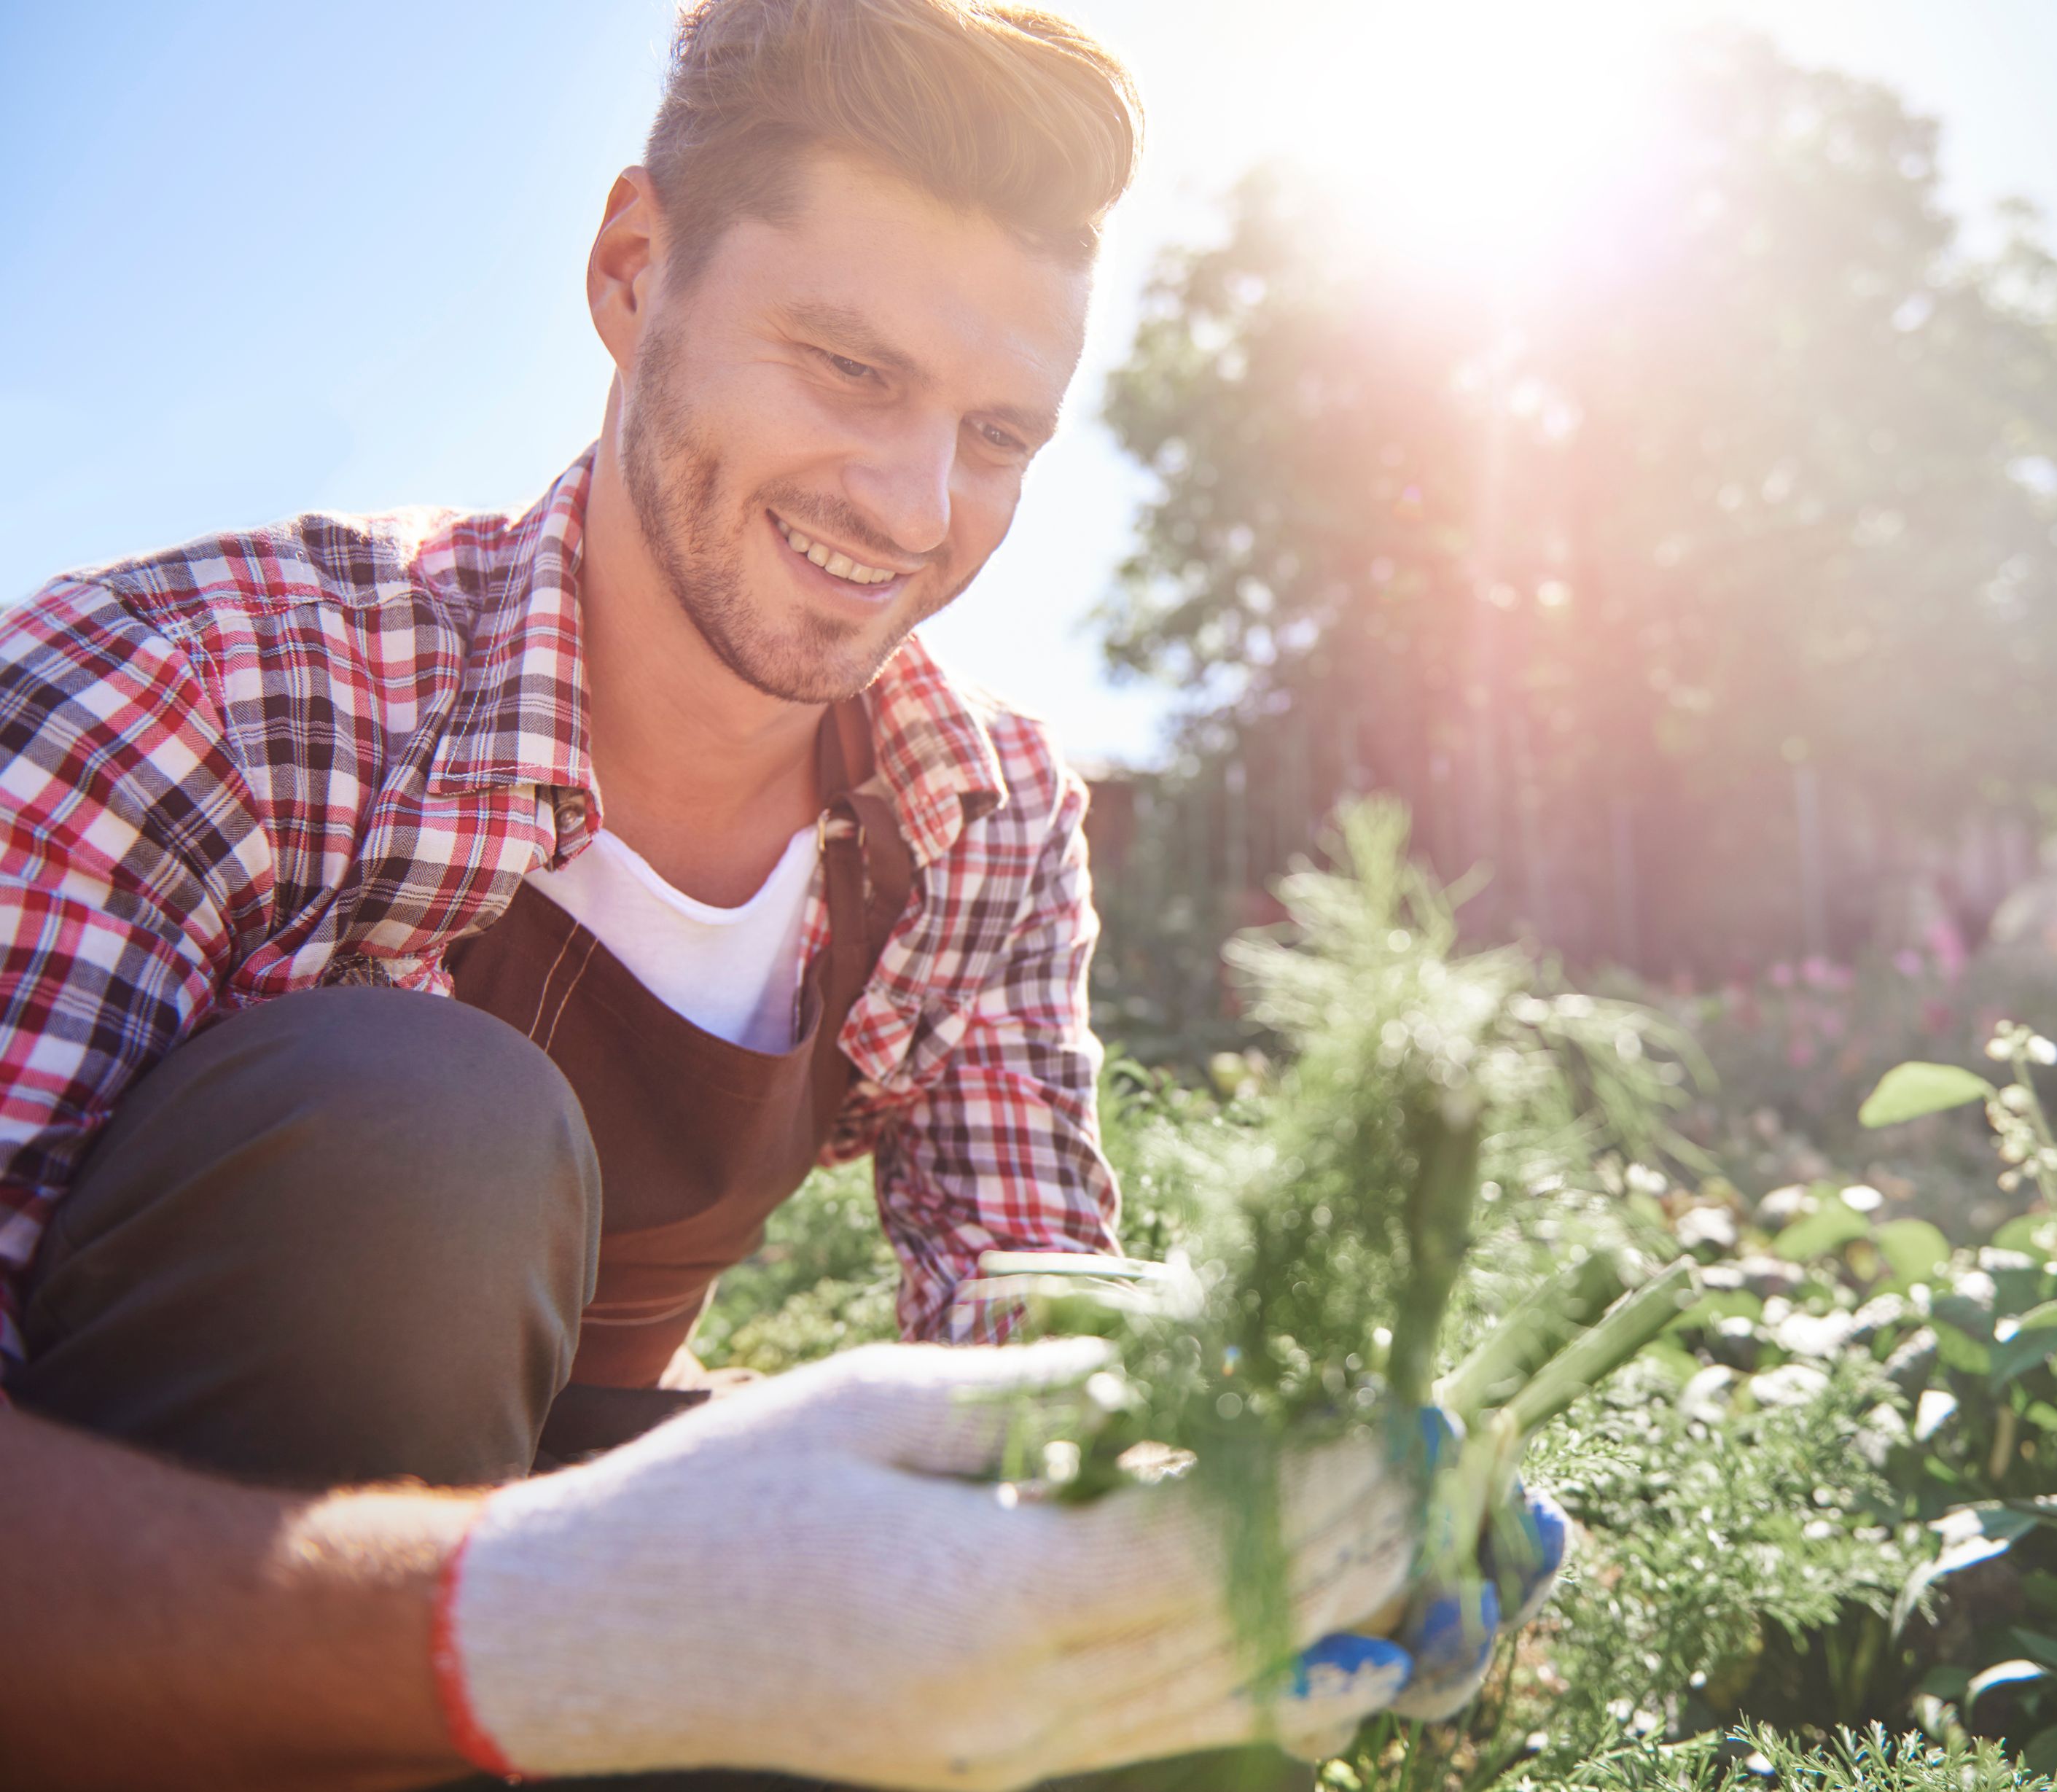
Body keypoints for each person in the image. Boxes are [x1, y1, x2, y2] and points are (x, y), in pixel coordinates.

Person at [0, 2, 1558, 1785]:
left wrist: (1265, 1479)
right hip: (138, 1656)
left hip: (566, 1573)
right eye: (848, 368)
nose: (913, 506)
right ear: (631, 267)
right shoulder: (191, 687)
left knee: (1159, 1681)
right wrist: (552, 1610)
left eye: (997, 434)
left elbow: (1024, 1333)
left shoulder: (976, 812)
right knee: (419, 1125)